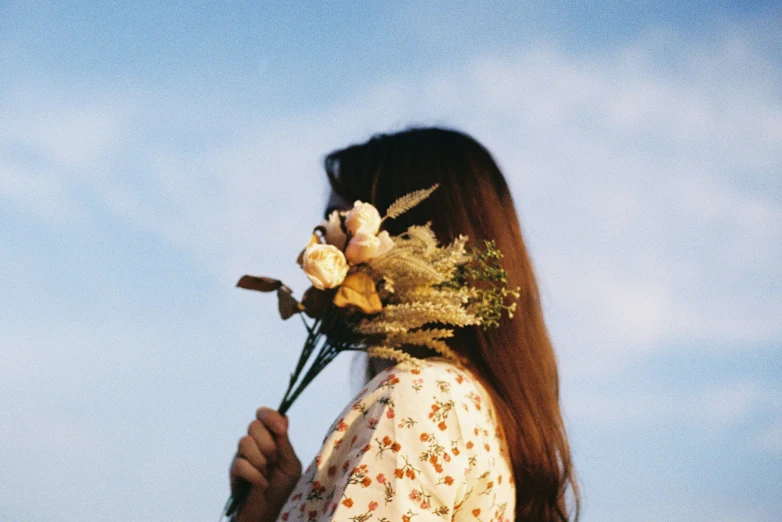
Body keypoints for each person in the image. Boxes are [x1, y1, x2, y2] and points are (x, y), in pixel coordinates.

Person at [229, 127, 580, 522]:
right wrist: (274, 508)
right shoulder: (463, 405)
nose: (320, 247)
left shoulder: (417, 398)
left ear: (405, 242)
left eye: (337, 227)